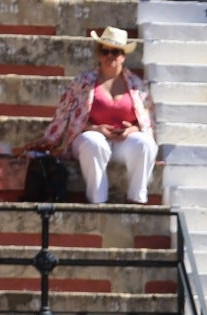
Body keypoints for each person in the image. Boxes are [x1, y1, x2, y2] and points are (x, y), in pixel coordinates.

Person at [33, 26, 156, 206]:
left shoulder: (138, 86)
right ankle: (98, 201)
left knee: (145, 144)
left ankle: (136, 200)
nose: (109, 56)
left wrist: (131, 129)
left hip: (123, 143)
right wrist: (94, 128)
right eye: (104, 51)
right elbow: (65, 116)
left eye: (115, 52)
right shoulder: (82, 82)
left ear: (123, 56)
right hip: (90, 139)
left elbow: (147, 122)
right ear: (98, 54)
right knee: (94, 142)